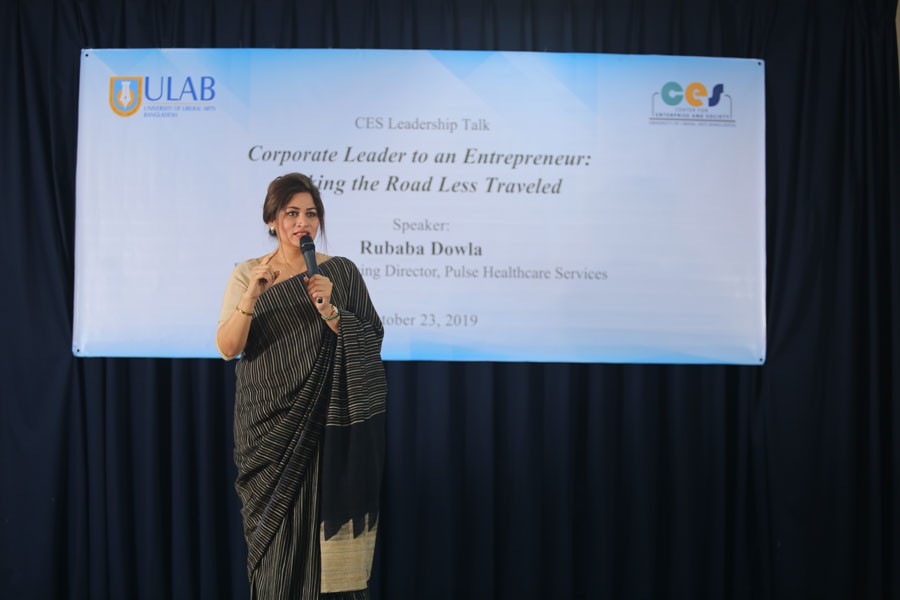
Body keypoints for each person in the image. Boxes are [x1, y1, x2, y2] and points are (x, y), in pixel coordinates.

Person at [216, 173, 386, 599]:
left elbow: (371, 339)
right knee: (276, 554)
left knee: (325, 558)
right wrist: (251, 297)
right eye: (291, 213)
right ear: (272, 220)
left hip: (327, 426)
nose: (302, 222)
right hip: (268, 431)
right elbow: (228, 347)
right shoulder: (246, 273)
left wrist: (332, 312)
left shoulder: (340, 273)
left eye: (311, 214)